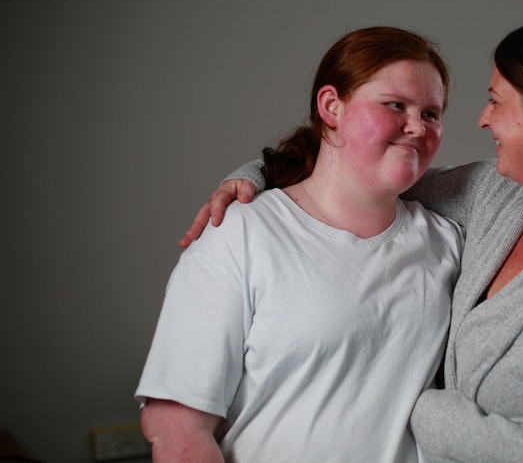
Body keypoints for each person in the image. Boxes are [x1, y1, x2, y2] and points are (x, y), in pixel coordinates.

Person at [184, 16, 523, 462]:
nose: (482, 119)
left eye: (495, 101)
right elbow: (352, 176)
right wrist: (252, 177)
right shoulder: (493, 198)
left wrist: (438, 420)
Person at [135, 26, 464, 462]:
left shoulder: (449, 243)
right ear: (331, 106)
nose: (416, 127)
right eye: (395, 105)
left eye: (431, 114)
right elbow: (177, 431)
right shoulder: (241, 234)